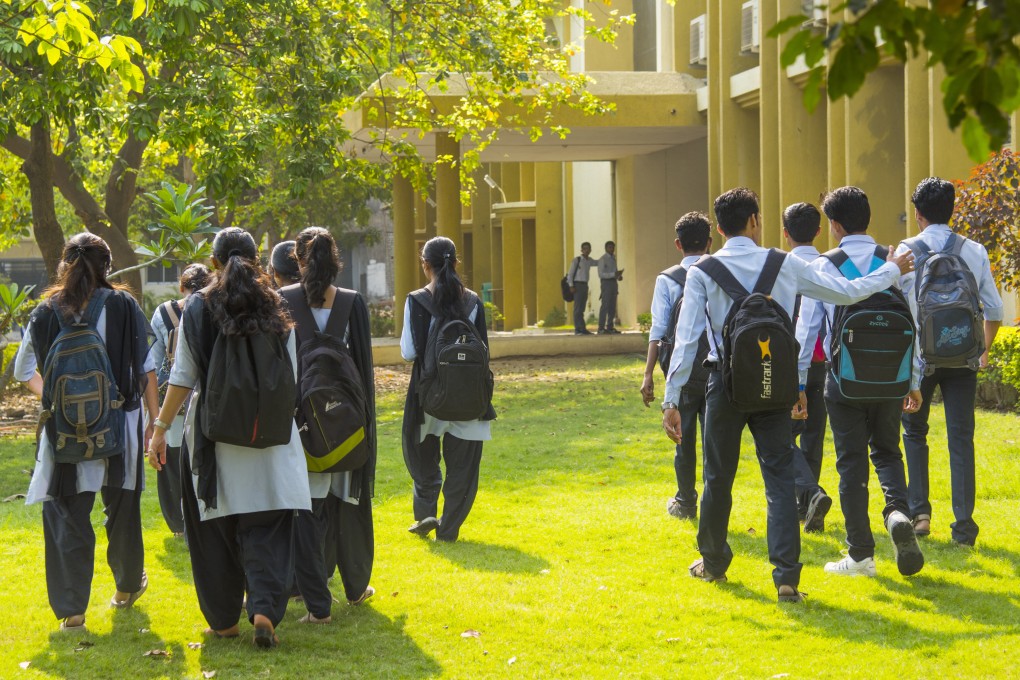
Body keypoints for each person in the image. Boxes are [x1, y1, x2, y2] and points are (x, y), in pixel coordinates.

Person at [661, 187, 915, 602]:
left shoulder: (702, 271)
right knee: (779, 480)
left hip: (723, 386)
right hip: (773, 386)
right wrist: (891, 270)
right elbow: (847, 293)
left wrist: (672, 399)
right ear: (756, 221)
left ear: (719, 229)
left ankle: (713, 563)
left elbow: (687, 340)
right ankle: (786, 579)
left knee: (717, 477)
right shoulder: (784, 264)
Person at [148, 227, 310, 649]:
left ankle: (223, 621)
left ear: (214, 263)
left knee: (213, 533)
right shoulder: (278, 304)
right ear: (257, 261)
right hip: (271, 436)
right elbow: (291, 373)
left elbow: (182, 377)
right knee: (268, 527)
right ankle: (263, 610)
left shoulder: (198, 307)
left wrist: (161, 428)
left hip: (213, 436)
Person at [14, 233, 157, 633]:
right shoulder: (125, 306)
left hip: (64, 434)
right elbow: (147, 367)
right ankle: (127, 589)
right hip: (121, 427)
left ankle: (73, 613)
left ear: (65, 265)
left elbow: (22, 371)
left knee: (65, 515)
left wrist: (55, 401)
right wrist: (155, 424)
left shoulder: (45, 312)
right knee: (122, 510)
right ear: (107, 266)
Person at [796, 187, 924, 578]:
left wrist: (800, 382)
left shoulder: (825, 265)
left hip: (843, 381)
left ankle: (860, 556)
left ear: (833, 225)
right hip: (891, 379)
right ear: (868, 217)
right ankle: (898, 513)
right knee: (887, 452)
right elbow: (912, 324)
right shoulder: (896, 260)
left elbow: (808, 329)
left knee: (851, 462)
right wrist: (913, 379)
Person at [896, 177, 1003, 546]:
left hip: (919, 361)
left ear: (918, 214)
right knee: (961, 438)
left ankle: (920, 515)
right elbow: (995, 309)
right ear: (952, 209)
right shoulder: (972, 249)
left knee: (913, 432)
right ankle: (964, 528)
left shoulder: (906, 251)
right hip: (962, 359)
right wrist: (982, 349)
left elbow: (898, 311)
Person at [282, 226, 377, 624]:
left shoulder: (284, 301)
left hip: (302, 424)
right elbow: (364, 371)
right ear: (335, 259)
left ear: (298, 261)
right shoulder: (353, 303)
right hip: (348, 420)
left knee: (307, 508)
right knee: (350, 502)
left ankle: (303, 585)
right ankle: (355, 586)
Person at [401, 236, 496, 542]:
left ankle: (426, 514)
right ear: (455, 263)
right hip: (468, 394)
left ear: (424, 265)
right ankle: (449, 527)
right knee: (463, 467)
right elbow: (483, 348)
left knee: (422, 459)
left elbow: (408, 351)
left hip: (428, 394)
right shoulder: (472, 302)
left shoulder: (416, 301)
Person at [640, 212, 712, 520]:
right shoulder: (718, 274)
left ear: (677, 244)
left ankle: (685, 502)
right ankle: (714, 502)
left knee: (682, 437)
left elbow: (658, 330)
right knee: (714, 442)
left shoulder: (667, 278)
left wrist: (647, 375)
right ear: (710, 242)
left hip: (679, 371)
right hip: (715, 369)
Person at [148, 263, 212, 538]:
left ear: (181, 286)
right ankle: (203, 518)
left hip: (172, 401)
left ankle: (178, 525)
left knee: (171, 463)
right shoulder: (214, 307)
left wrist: (155, 414)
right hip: (206, 398)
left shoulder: (163, 314)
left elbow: (154, 362)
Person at [783, 202, 832, 533]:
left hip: (790, 362)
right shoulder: (830, 265)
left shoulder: (779, 267)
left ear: (785, 233)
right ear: (819, 231)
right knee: (813, 435)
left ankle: (810, 494)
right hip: (825, 362)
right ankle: (808, 508)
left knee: (780, 436)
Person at [566, 242, 598, 335]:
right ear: (582, 250)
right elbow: (570, 274)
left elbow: (597, 263)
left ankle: (582, 328)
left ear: (590, 250)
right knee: (577, 308)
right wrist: (571, 285)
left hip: (585, 285)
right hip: (577, 285)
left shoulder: (589, 260)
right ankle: (578, 329)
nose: (587, 250)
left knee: (582, 308)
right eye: (585, 248)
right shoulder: (577, 260)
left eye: (588, 248)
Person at [597, 241, 624, 334]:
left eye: (612, 247)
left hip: (613, 283)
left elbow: (614, 271)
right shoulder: (602, 259)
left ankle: (610, 327)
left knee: (612, 306)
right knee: (605, 305)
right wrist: (613, 274)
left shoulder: (613, 258)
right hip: (606, 283)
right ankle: (601, 328)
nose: (611, 249)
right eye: (609, 247)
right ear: (606, 248)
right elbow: (601, 274)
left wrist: (618, 276)